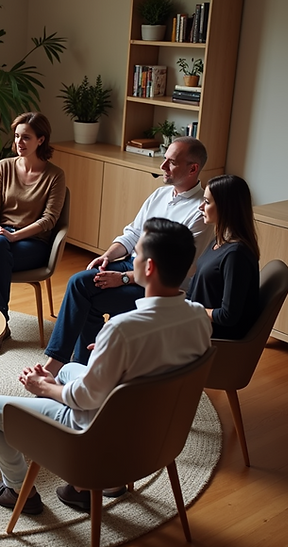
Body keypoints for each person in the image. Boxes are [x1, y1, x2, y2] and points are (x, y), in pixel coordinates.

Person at [0, 218, 212, 514]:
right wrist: (110, 355)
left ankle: (19, 487)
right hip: (156, 430)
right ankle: (82, 488)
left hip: (100, 433)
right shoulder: (199, 317)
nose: (130, 261)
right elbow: (158, 362)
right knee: (65, 370)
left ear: (148, 268)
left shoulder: (122, 329)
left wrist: (44, 387)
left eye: (135, 254)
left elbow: (84, 398)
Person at [41, 136, 213, 375]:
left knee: (89, 299)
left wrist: (123, 278)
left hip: (161, 285)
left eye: (171, 162)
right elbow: (132, 233)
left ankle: (68, 366)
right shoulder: (160, 194)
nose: (163, 167)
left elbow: (177, 268)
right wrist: (108, 256)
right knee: (80, 282)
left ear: (193, 168)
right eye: (164, 159)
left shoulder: (200, 211)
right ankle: (78, 366)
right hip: (135, 264)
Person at [0, 112, 67, 354]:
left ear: (41, 140)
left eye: (26, 137)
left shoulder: (55, 175)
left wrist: (16, 236)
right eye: (16, 136)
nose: (19, 142)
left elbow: (49, 220)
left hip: (32, 242)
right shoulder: (4, 166)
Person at [187, 174, 261, 340]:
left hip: (214, 336)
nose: (200, 207)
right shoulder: (217, 242)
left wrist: (191, 311)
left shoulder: (236, 255)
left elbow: (228, 316)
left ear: (226, 207)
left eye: (206, 202)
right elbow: (195, 290)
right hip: (196, 323)